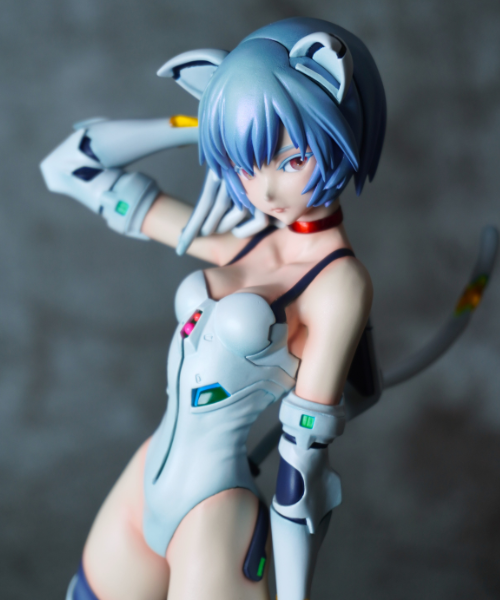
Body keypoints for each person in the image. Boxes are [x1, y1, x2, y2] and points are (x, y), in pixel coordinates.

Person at [41, 17, 386, 600]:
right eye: (247, 164)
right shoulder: (239, 239)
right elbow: (71, 166)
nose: (265, 190)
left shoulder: (338, 286)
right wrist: (205, 124)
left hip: (213, 518)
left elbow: (302, 466)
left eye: (291, 159)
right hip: (144, 482)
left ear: (342, 125)